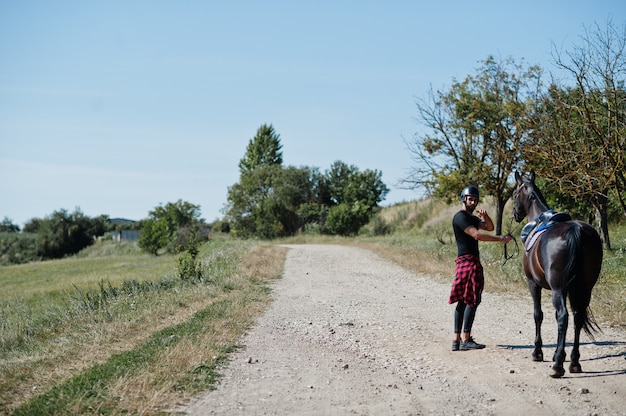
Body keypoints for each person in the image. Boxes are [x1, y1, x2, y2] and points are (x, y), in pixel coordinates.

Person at [450, 186, 512, 351]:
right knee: (472, 299)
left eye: (475, 200)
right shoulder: (460, 218)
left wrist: (485, 216)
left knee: (464, 300)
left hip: (469, 262)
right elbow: (477, 235)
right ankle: (465, 339)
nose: (473, 202)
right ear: (463, 198)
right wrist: (500, 239)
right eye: (470, 199)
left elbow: (489, 227)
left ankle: (457, 341)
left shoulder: (471, 218)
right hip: (468, 262)